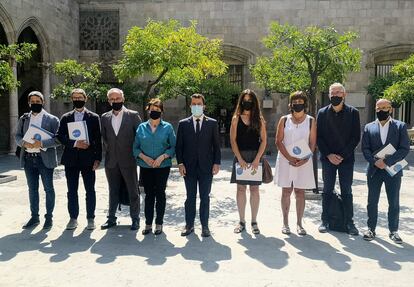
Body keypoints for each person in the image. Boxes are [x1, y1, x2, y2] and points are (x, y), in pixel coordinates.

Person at [361, 99, 410, 244]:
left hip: (393, 170)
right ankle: (371, 229)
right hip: (374, 170)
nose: (381, 110)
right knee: (372, 201)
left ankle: (393, 231)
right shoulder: (369, 127)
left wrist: (386, 161)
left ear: (390, 110)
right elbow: (365, 148)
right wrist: (375, 161)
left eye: (385, 108)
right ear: (375, 109)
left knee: (393, 202)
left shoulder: (400, 126)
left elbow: (404, 148)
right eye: (378, 107)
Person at [317, 83, 360, 235]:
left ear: (344, 94)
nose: (335, 95)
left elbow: (356, 137)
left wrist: (342, 155)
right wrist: (329, 155)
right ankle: (325, 220)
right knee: (327, 190)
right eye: (332, 92)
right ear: (329, 95)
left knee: (346, 190)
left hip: (346, 159)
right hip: (327, 159)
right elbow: (319, 137)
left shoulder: (353, 113)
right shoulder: (322, 113)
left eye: (338, 92)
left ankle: (350, 222)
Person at [176, 93, 221, 237]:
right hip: (188, 168)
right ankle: (189, 225)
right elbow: (179, 146)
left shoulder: (212, 123)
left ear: (204, 106)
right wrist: (180, 164)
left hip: (206, 167)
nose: (196, 106)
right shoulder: (183, 124)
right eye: (194, 104)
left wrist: (217, 163)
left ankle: (205, 226)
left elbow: (216, 146)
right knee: (190, 197)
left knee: (205, 197)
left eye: (199, 104)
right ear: (190, 106)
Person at [57, 88, 102, 231]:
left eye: (80, 97)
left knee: (90, 190)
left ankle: (90, 218)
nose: (77, 100)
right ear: (72, 99)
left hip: (88, 159)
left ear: (85, 98)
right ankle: (73, 218)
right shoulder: (66, 117)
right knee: (72, 190)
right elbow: (60, 136)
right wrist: (75, 143)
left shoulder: (94, 117)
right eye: (75, 98)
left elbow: (97, 139)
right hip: (71, 159)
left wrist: (98, 159)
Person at [15, 91, 60, 230]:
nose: (35, 103)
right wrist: (23, 143)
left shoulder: (52, 119)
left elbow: (58, 140)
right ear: (29, 103)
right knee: (32, 189)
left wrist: (41, 144)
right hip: (29, 159)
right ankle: (34, 217)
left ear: (43, 102)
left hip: (44, 159)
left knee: (48, 189)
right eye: (32, 101)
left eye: (38, 101)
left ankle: (49, 218)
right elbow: (17, 135)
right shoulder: (24, 118)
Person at [274, 91, 316, 235]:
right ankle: (285, 223)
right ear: (290, 104)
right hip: (286, 160)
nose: (298, 105)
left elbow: (312, 143)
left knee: (300, 192)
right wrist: (290, 158)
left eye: (300, 102)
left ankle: (299, 224)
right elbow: (278, 141)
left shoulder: (311, 120)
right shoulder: (284, 120)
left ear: (305, 104)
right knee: (286, 191)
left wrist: (304, 159)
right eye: (295, 102)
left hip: (304, 161)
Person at [133, 98, 176, 235]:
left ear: (162, 111)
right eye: (152, 109)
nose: (154, 112)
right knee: (148, 195)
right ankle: (148, 224)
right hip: (146, 167)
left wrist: (162, 157)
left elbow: (173, 147)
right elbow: (135, 148)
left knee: (160, 194)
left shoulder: (168, 127)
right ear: (148, 110)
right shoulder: (141, 127)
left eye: (157, 110)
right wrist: (144, 157)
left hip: (162, 167)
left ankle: (159, 223)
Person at [100, 88, 141, 230]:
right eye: (112, 99)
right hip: (111, 161)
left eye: (117, 99)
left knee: (133, 190)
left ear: (123, 99)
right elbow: (104, 138)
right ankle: (111, 218)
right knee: (113, 190)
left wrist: (136, 154)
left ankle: (135, 219)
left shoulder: (133, 115)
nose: (115, 101)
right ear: (109, 101)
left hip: (129, 160)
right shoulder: (104, 117)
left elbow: (139, 137)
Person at [230, 89, 267, 235]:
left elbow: (264, 140)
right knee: (240, 189)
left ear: (254, 102)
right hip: (240, 156)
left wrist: (258, 158)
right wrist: (239, 158)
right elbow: (232, 140)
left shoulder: (259, 119)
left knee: (254, 190)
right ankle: (241, 221)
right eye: (244, 100)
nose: (247, 103)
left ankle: (254, 221)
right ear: (241, 101)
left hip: (255, 157)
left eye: (250, 100)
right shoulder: (235, 119)